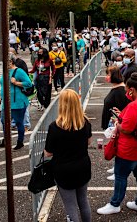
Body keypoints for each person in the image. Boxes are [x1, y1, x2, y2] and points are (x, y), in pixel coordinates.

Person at [97, 73, 137, 216]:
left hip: (130, 149)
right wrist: (122, 115)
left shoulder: (134, 106)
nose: (125, 93)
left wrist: (118, 124)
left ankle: (115, 203)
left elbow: (127, 129)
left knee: (121, 176)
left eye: (126, 90)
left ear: (131, 90)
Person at [44, 89, 92, 222]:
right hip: (83, 166)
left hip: (64, 170)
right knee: (83, 201)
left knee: (70, 205)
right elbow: (88, 141)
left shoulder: (55, 127)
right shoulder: (85, 122)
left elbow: (48, 152)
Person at [101, 66, 131, 181]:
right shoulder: (116, 88)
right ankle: (116, 167)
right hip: (113, 123)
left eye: (108, 74)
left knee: (118, 147)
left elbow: (122, 109)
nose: (106, 77)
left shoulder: (120, 91)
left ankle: (119, 171)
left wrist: (116, 122)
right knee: (115, 146)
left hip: (116, 124)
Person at [0, 54, 32, 150]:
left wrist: (16, 83)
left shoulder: (19, 71)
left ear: (11, 61)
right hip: (6, 103)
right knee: (4, 121)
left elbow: (29, 83)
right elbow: (3, 86)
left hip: (18, 102)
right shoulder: (5, 71)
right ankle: (6, 141)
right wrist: (0, 99)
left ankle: (20, 142)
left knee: (19, 122)